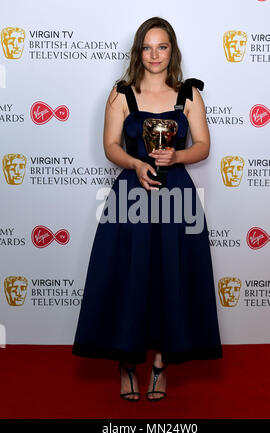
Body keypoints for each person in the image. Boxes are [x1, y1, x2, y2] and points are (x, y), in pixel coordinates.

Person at [72, 16, 223, 402]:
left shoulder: (188, 94)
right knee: (129, 279)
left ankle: (160, 363)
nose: (154, 54)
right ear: (138, 51)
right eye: (147, 47)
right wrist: (136, 164)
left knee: (169, 279)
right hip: (131, 199)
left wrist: (177, 155)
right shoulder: (121, 94)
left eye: (162, 46)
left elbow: (203, 146)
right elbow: (110, 146)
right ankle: (126, 363)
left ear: (172, 51)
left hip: (177, 199)